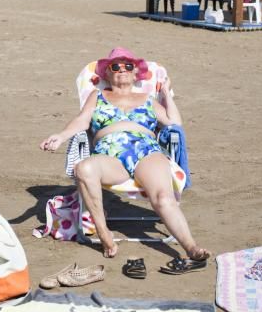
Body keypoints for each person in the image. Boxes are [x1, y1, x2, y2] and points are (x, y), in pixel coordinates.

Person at [40, 47, 210, 266]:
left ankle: (191, 247)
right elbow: (82, 121)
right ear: (107, 74)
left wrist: (166, 93)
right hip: (110, 154)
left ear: (135, 73)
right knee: (83, 168)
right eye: (115, 66)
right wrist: (60, 136)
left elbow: (174, 122)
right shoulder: (98, 95)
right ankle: (104, 233)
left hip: (146, 151)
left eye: (128, 66)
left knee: (162, 197)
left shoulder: (147, 98)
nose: (122, 69)